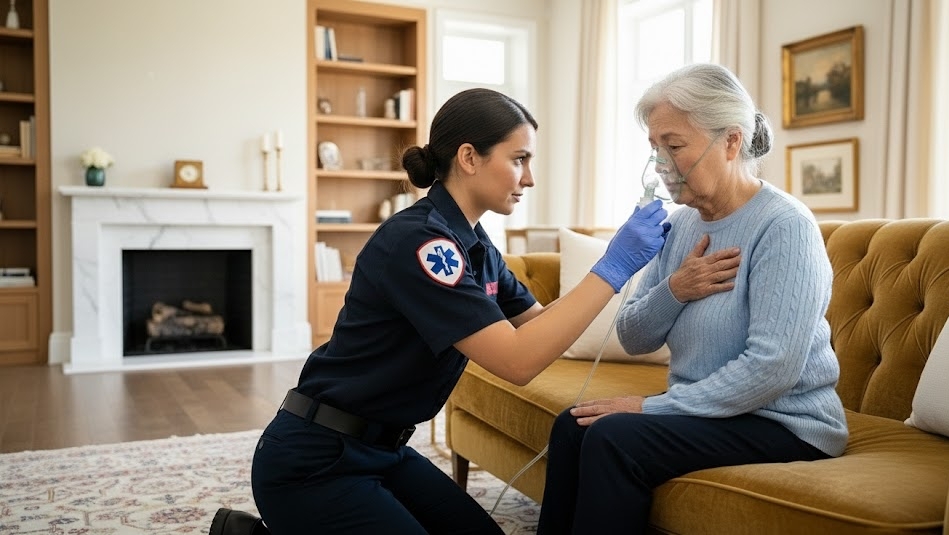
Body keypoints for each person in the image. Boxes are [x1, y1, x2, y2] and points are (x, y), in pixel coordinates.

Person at [212, 88, 670, 535]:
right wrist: (611, 265)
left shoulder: (477, 247)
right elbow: (517, 361)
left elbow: (542, 328)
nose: (529, 179)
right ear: (469, 158)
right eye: (519, 160)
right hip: (317, 463)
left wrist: (670, 290)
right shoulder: (422, 244)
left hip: (385, 452)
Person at [536, 63, 849, 535]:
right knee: (570, 425)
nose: (659, 164)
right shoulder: (681, 225)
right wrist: (675, 289)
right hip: (705, 409)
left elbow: (773, 367)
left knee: (613, 438)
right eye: (654, 147)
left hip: (782, 420)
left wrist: (650, 407)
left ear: (731, 141)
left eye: (674, 145)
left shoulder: (785, 226)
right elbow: (634, 336)